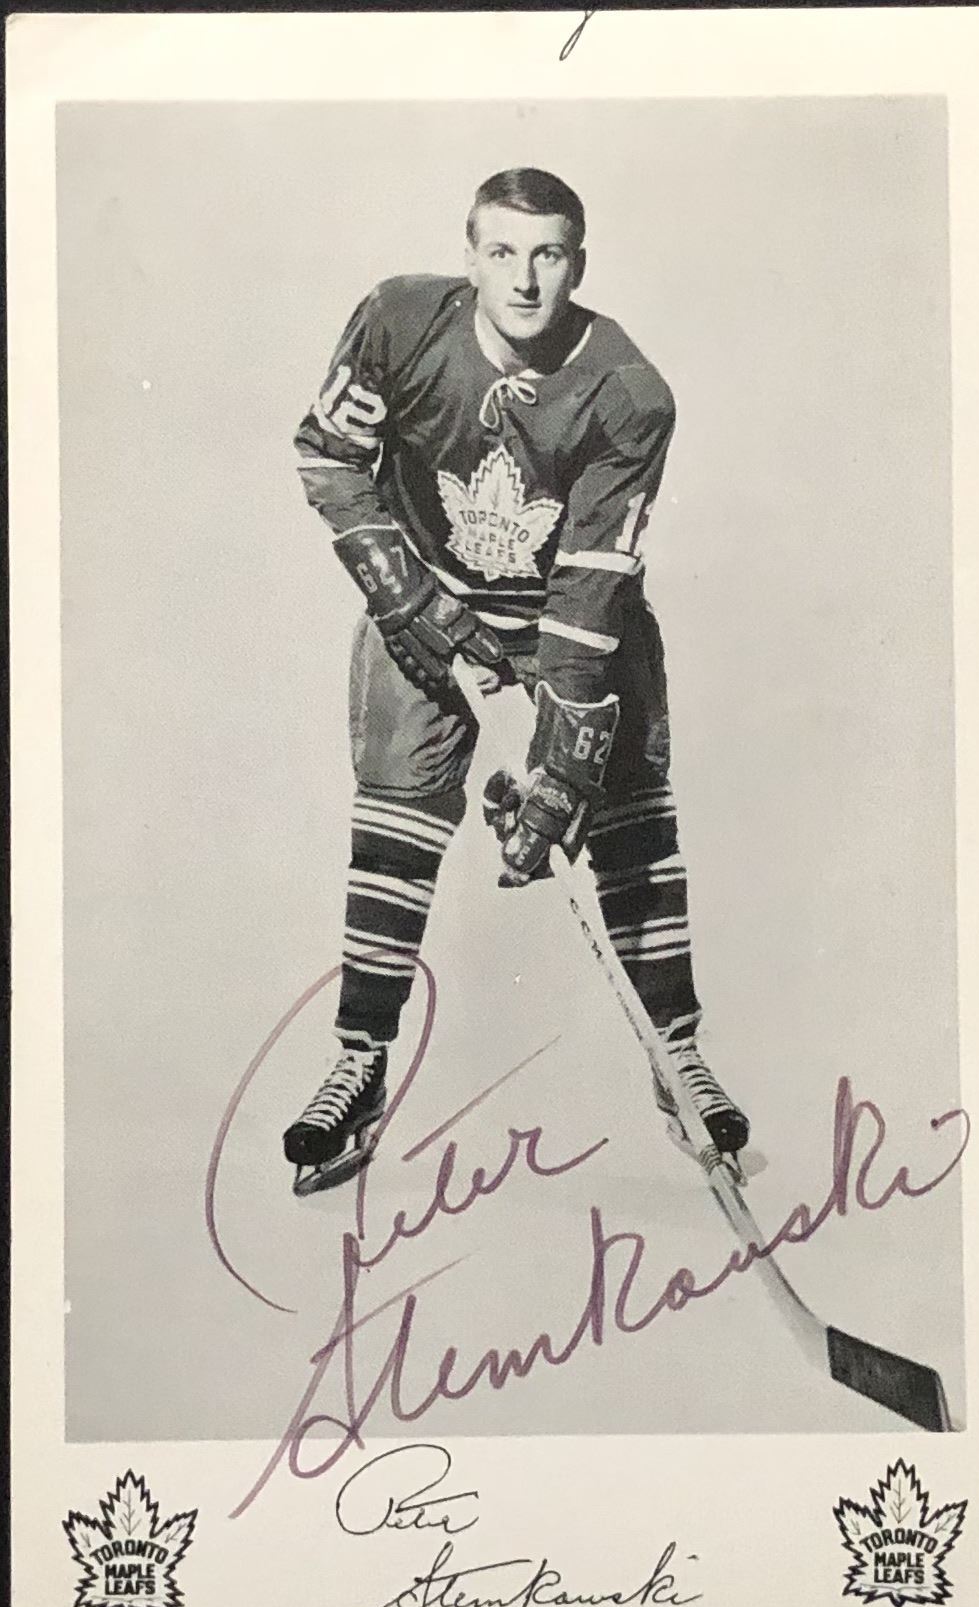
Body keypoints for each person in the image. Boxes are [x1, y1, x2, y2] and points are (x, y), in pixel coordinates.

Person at [284, 166, 749, 1195]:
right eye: (503, 252)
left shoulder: (627, 391)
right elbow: (329, 455)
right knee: (395, 824)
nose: (525, 280)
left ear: (577, 263)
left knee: (629, 818)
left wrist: (563, 765)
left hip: (563, 629)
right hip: (427, 600)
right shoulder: (399, 324)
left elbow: (589, 594)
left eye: (548, 255)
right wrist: (406, 598)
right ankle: (360, 1060)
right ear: (471, 256)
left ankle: (676, 1050)